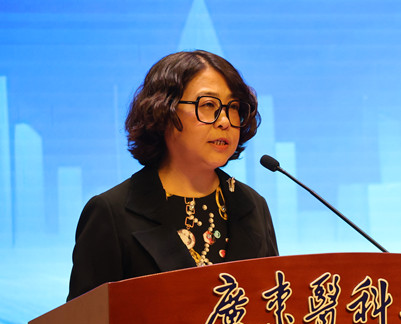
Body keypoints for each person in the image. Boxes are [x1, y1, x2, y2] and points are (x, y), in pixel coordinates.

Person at [67, 50, 278, 301]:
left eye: (233, 107)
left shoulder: (253, 205)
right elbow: (85, 321)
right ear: (163, 110)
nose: (224, 121)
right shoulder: (112, 213)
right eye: (208, 105)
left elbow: (273, 307)